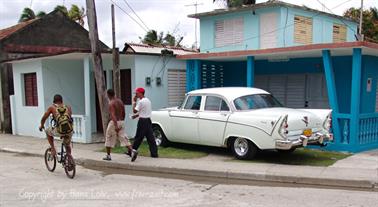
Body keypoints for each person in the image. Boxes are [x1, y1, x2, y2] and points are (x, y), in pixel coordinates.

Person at [103, 89, 133, 161]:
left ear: (108, 95)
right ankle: (132, 151)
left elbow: (113, 115)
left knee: (109, 137)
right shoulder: (120, 101)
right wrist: (122, 121)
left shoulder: (111, 103)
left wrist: (116, 125)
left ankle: (108, 155)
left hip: (114, 122)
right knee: (123, 137)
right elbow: (124, 113)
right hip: (121, 121)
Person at [130, 87, 158, 162]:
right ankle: (154, 154)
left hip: (142, 121)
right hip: (148, 120)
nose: (136, 95)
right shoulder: (148, 100)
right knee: (150, 138)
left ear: (140, 93)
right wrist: (136, 116)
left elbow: (134, 111)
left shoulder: (141, 102)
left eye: (136, 93)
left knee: (138, 137)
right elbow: (144, 112)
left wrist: (134, 102)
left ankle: (132, 151)